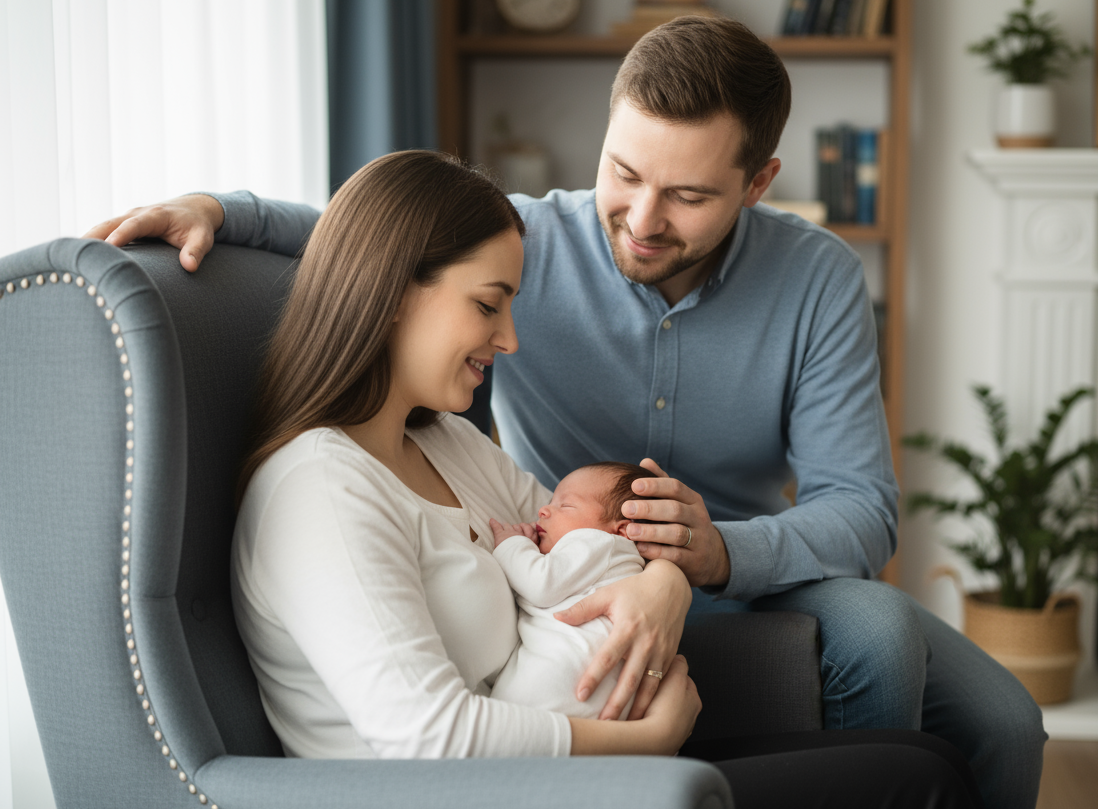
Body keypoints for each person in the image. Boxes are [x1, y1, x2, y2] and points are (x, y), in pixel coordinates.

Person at [87, 15, 1042, 809]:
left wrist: (708, 559)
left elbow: (862, 508)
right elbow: (375, 236)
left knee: (1004, 726)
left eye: (688, 195)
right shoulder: (523, 244)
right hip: (573, 587)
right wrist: (223, 209)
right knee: (885, 662)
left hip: (745, 568)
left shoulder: (815, 278)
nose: (642, 218)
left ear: (758, 184)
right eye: (624, 172)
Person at [226, 147, 980, 808]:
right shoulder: (319, 490)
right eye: (488, 305)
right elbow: (428, 737)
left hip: (560, 778)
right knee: (919, 783)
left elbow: (602, 545)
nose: (510, 339)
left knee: (924, 759)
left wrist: (670, 583)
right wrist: (645, 744)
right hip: (505, 790)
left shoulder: (449, 445)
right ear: (391, 293)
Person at [488, 462, 651, 720]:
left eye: (565, 505)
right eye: (551, 502)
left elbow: (540, 584)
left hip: (562, 682)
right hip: (593, 692)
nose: (543, 510)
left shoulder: (601, 542)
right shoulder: (612, 560)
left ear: (621, 530)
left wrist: (513, 545)